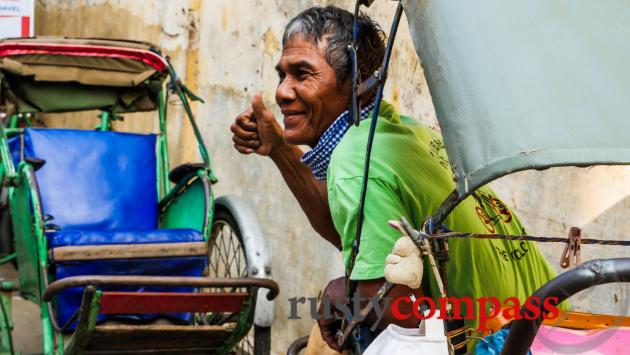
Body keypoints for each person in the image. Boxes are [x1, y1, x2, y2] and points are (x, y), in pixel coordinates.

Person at [231, 5, 560, 353]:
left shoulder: (356, 162)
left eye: (302, 74)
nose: (283, 91)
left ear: (358, 82)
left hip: (497, 344)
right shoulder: (404, 132)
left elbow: (402, 316)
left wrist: (342, 291)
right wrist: (280, 148)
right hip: (550, 329)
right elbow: (357, 238)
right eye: (282, 75)